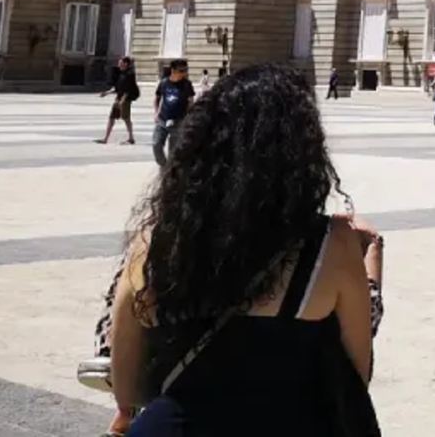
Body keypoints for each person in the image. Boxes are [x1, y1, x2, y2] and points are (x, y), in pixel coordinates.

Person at [107, 64, 382, 437]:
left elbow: (126, 387)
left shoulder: (152, 245)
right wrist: (372, 264)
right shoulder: (329, 246)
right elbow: (355, 376)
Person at [151, 60, 195, 168]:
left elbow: (190, 101)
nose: (184, 73)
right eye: (181, 70)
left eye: (185, 70)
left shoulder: (187, 84)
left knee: (173, 150)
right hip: (162, 119)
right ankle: (164, 165)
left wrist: (188, 117)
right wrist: (156, 113)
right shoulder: (164, 83)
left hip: (179, 121)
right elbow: (157, 98)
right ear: (173, 70)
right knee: (156, 144)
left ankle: (170, 171)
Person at [98, 56, 140, 145]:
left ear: (125, 64)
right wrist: (106, 93)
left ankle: (131, 138)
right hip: (118, 99)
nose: (118, 64)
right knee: (111, 117)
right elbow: (117, 88)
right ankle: (105, 138)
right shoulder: (120, 74)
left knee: (126, 118)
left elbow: (128, 90)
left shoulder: (129, 75)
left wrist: (122, 101)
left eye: (120, 63)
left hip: (125, 100)